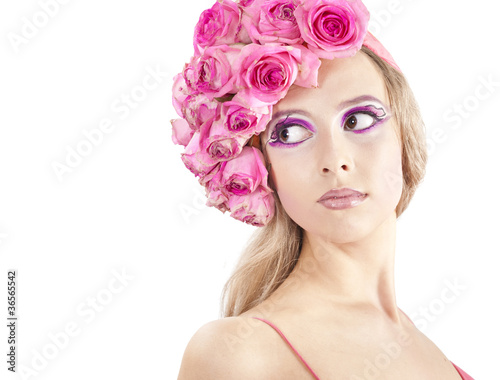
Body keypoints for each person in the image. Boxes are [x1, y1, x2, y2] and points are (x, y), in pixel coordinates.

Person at [171, 0, 474, 378]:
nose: (334, 159)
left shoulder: (428, 349)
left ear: (404, 135)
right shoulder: (240, 355)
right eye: (290, 132)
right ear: (264, 168)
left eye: (359, 119)